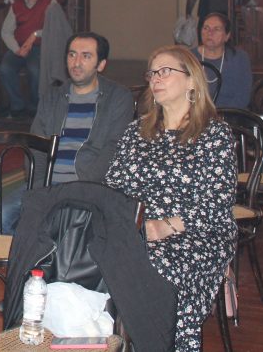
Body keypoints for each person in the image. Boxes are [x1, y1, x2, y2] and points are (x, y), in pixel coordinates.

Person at [105, 45, 237, 351]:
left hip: (198, 232)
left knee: (159, 266)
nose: (155, 78)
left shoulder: (214, 135)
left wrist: (164, 226)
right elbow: (113, 187)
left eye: (165, 71)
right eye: (152, 73)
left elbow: (217, 204)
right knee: (96, 258)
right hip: (138, 231)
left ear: (191, 80)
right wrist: (128, 225)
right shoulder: (135, 132)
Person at [0, 32, 133, 234]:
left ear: (101, 64)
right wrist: (40, 189)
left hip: (88, 185)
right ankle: (31, 253)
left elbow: (114, 148)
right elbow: (35, 145)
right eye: (72, 54)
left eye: (86, 56)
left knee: (63, 228)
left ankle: (41, 250)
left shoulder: (118, 97)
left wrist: (81, 188)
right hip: (47, 183)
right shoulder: (53, 97)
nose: (76, 62)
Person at [0, 0, 70, 117]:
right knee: (5, 69)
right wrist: (17, 49)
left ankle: (34, 107)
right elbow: (6, 32)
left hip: (41, 48)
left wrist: (35, 35)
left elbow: (57, 29)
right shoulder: (16, 5)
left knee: (36, 70)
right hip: (18, 48)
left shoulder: (51, 4)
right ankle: (17, 105)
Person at [192, 12, 252, 109]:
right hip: (196, 114)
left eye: (216, 29)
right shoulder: (189, 57)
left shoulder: (240, 58)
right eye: (206, 28)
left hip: (230, 114)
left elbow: (243, 97)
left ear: (227, 36)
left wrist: (221, 115)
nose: (210, 33)